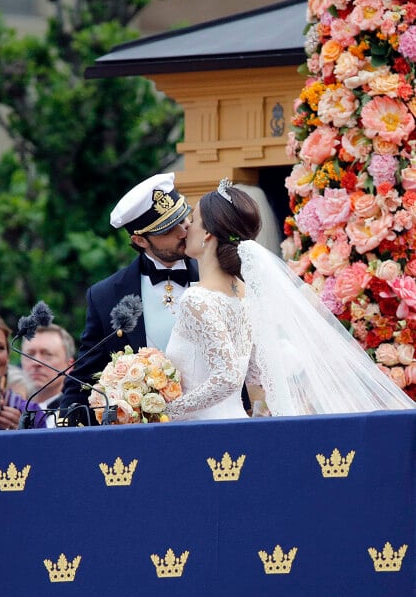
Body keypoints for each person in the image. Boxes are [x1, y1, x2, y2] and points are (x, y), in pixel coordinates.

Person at [165, 179, 415, 420]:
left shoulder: (197, 298)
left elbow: (229, 377)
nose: (186, 228)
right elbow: (253, 371)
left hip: (199, 428)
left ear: (207, 232)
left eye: (194, 220)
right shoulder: (244, 294)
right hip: (236, 421)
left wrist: (168, 411)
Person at [60, 172, 198, 418]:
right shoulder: (105, 296)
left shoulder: (217, 277)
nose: (183, 231)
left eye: (182, 218)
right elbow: (84, 379)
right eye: (168, 229)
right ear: (140, 240)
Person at [21, 324, 75, 427]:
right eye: (30, 354)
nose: (36, 362)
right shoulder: (8, 408)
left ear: (69, 366)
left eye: (47, 354)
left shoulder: (78, 414)